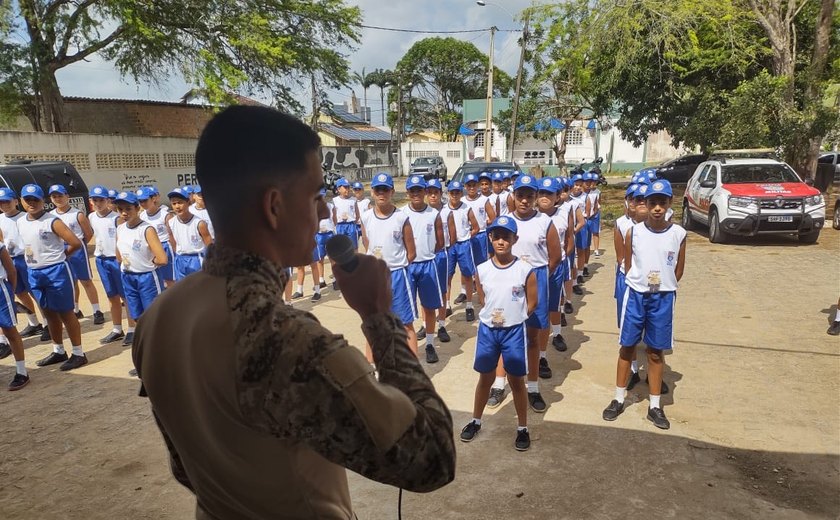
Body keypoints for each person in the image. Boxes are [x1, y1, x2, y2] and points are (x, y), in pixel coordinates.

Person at [132, 106, 455, 519]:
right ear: (274, 206)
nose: (323, 213)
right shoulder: (285, 340)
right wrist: (379, 316)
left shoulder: (160, 316)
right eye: (316, 195)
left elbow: (185, 467)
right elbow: (432, 459)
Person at [602, 180, 687, 430]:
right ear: (645, 204)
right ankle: (618, 398)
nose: (657, 208)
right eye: (652, 203)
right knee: (627, 347)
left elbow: (678, 269)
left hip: (663, 297)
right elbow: (628, 265)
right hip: (637, 295)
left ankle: (655, 405)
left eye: (662, 203)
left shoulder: (679, 234)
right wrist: (639, 282)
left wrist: (664, 284)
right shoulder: (634, 231)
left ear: (671, 204)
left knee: (655, 351)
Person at [460, 216, 537, 451]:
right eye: (497, 236)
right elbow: (483, 299)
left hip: (513, 331)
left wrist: (514, 318)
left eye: (506, 236)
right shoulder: (482, 270)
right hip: (488, 331)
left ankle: (522, 427)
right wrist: (493, 315)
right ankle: (476, 420)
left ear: (515, 239)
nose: (501, 241)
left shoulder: (525, 270)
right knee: (485, 377)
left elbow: (532, 302)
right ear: (490, 238)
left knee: (516, 380)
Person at [505, 175, 562, 413]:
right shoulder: (505, 221)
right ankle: (500, 383)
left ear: (536, 197)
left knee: (532, 336)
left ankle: (533, 387)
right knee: (505, 335)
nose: (525, 200)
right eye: (521, 196)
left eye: (530, 196)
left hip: (536, 278)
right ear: (514, 197)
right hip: (510, 281)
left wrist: (536, 278)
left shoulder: (544, 222)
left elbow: (555, 256)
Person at [17, 184, 87, 371]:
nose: (31, 203)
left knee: (66, 312)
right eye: (27, 199)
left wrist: (61, 258)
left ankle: (79, 353)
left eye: (35, 200)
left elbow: (74, 242)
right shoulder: (21, 222)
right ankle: (58, 350)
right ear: (22, 201)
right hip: (34, 271)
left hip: (56, 271)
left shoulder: (52, 221)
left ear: (43, 202)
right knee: (47, 312)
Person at [403, 175, 445, 364]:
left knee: (429, 307)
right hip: (408, 266)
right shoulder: (401, 213)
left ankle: (429, 343)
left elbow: (440, 242)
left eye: (419, 190)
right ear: (408, 193)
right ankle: (409, 350)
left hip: (428, 265)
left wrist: (426, 254)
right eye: (412, 191)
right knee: (407, 311)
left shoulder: (433, 214)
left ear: (425, 192)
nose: (416, 194)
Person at [49, 184, 104, 324]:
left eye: (60, 195)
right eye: (54, 196)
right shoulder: (50, 216)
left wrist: (80, 244)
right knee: (70, 281)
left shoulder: (77, 214)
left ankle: (96, 310)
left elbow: (88, 233)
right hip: (61, 249)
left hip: (78, 248)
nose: (58, 199)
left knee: (85, 280)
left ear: (67, 196)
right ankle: (76, 309)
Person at [88, 185, 135, 345]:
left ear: (108, 200)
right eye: (95, 200)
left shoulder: (116, 218)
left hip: (115, 260)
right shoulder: (92, 217)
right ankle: (116, 328)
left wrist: (120, 258)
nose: (98, 203)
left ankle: (132, 328)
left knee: (125, 296)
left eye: (101, 200)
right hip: (102, 260)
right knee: (111, 295)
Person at [0, 187, 46, 340]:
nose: (4, 205)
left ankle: (47, 323)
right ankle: (34, 323)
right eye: (1, 202)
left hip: (25, 259)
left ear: (16, 201)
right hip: (9, 260)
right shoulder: (0, 219)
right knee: (19, 293)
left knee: (35, 293)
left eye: (7, 201)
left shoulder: (24, 217)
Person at [537, 178, 574, 353]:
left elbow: (569, 239)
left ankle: (557, 334)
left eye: (549, 193)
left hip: (556, 266)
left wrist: (562, 259)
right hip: (535, 269)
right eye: (541, 193)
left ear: (558, 196)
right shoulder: (531, 216)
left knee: (554, 303)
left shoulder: (565, 213)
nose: (545, 197)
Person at [446, 180, 480, 321]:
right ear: (448, 193)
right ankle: (447, 305)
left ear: (461, 193)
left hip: (464, 245)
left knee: (467, 275)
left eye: (457, 192)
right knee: (447, 276)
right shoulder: (444, 209)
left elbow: (476, 227)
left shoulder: (466, 208)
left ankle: (469, 306)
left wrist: (466, 236)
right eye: (452, 192)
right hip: (449, 246)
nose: (455, 195)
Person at [0, 231, 29, 390]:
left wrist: (10, 293)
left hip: (1, 290)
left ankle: (22, 371)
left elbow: (11, 270)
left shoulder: (0, 247)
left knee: (9, 330)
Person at [166, 187, 213, 281]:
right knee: (182, 290)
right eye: (174, 203)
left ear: (188, 202)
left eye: (180, 202)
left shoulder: (199, 223)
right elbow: (173, 241)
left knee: (199, 289)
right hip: (180, 259)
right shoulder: (171, 222)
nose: (177, 206)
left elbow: (209, 245)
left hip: (196, 259)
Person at [427, 178, 455, 328]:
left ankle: (442, 324)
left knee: (443, 290)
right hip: (426, 257)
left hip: (441, 255)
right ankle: (426, 325)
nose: (433, 196)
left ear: (440, 193)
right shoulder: (423, 212)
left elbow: (453, 235)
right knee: (426, 292)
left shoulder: (447, 212)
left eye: (435, 193)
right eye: (430, 193)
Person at [137, 186, 175, 288]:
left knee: (170, 278)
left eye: (145, 200)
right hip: (150, 249)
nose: (142, 204)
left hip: (165, 247)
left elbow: (172, 235)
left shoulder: (165, 215)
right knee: (156, 277)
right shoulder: (141, 216)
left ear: (153, 198)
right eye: (140, 201)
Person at [332, 178, 360, 250]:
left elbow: (357, 213)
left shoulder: (353, 199)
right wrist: (335, 225)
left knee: (353, 247)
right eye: (345, 187)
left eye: (348, 187)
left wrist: (354, 222)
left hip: (351, 225)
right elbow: (333, 214)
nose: (347, 189)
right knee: (341, 247)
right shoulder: (335, 200)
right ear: (338, 189)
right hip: (340, 225)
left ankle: (354, 260)